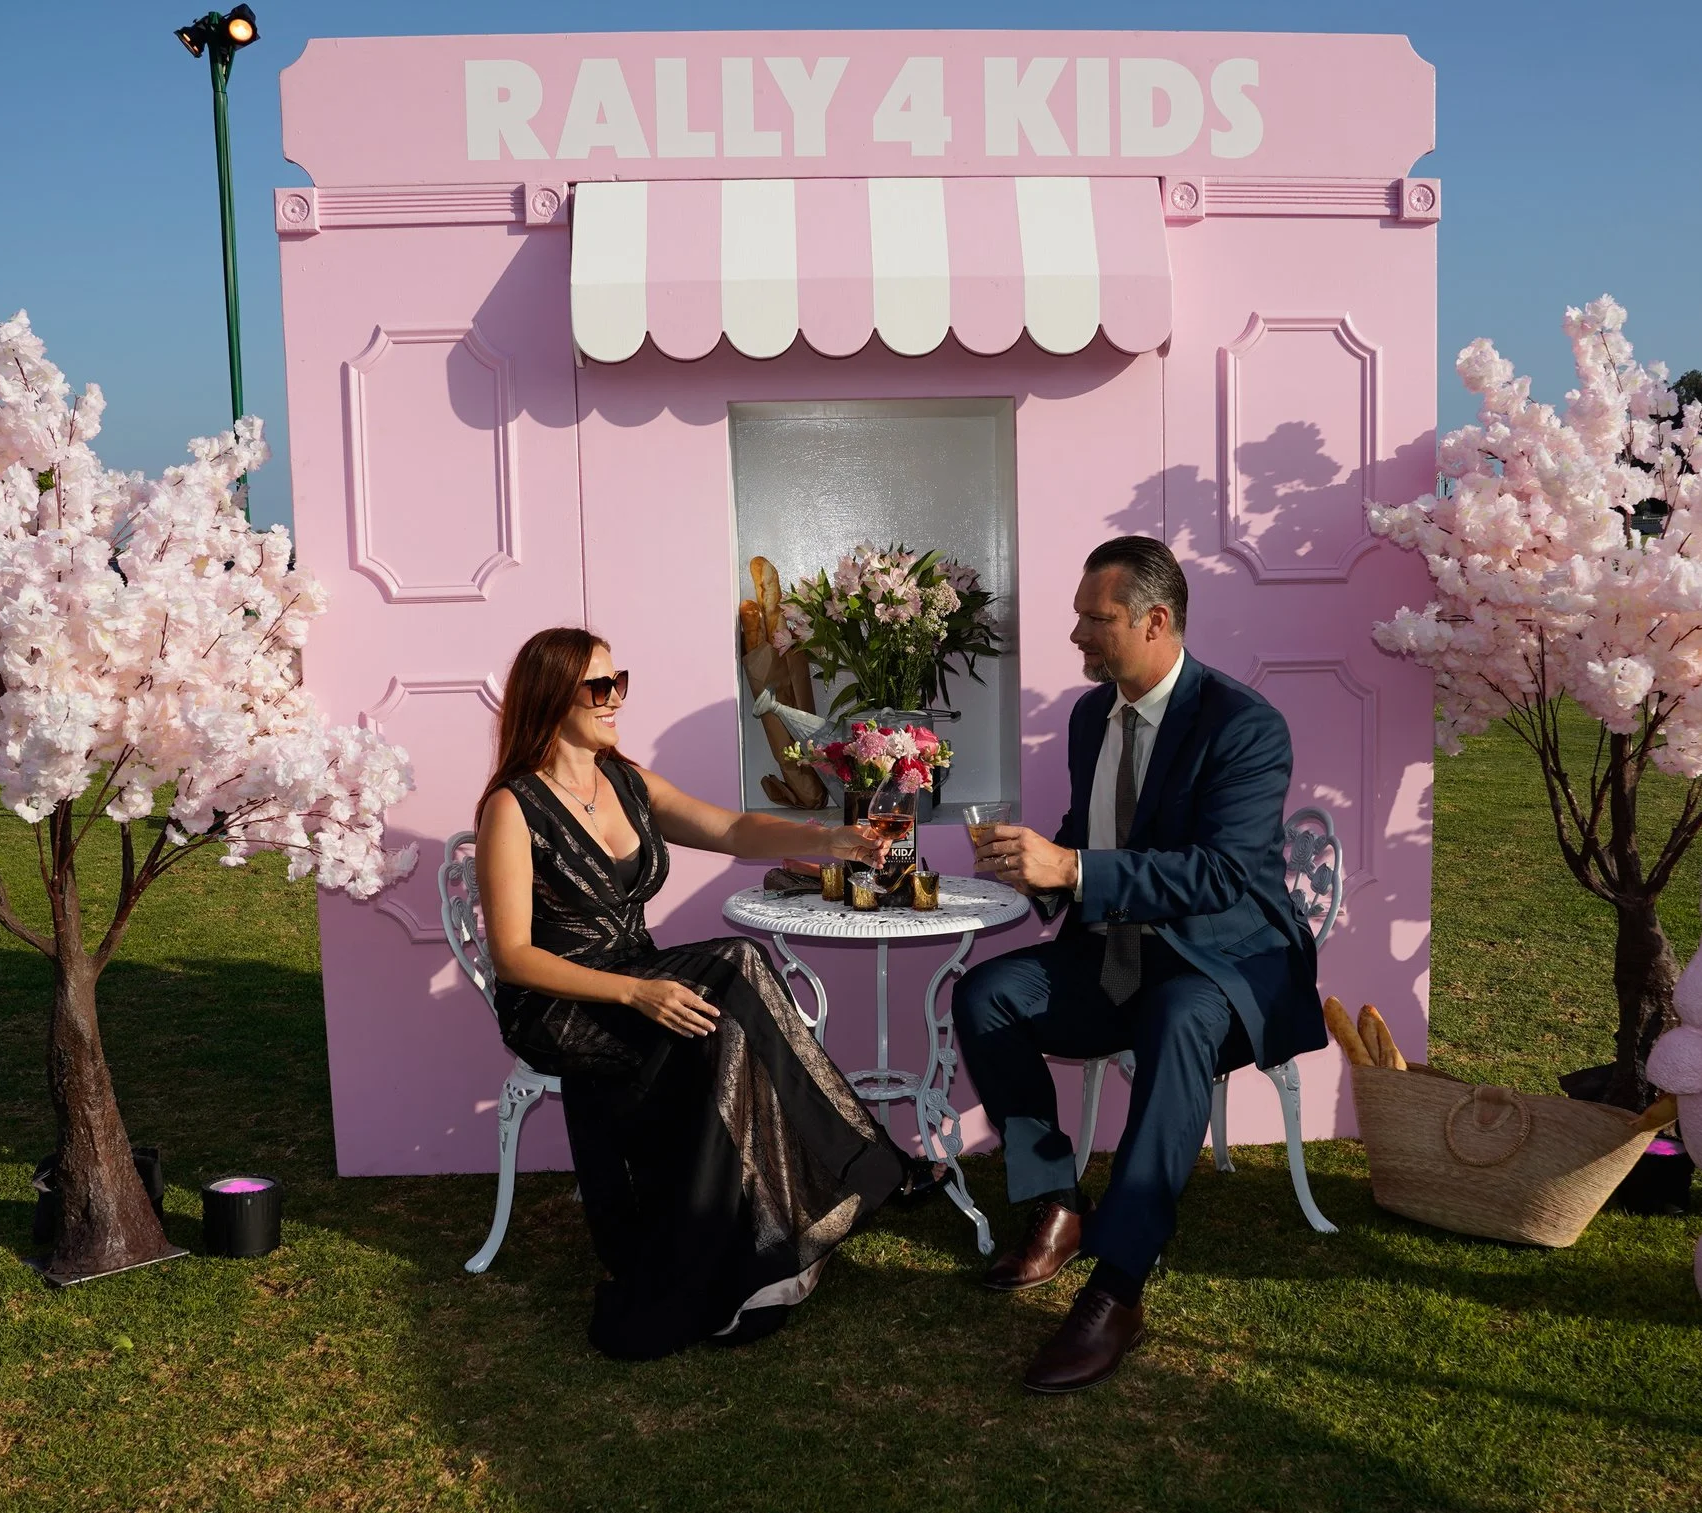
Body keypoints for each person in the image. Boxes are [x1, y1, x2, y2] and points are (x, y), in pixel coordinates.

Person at [474, 626, 931, 1361]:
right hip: (564, 1000)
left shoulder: (625, 779)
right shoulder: (512, 807)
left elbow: (728, 828)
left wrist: (831, 841)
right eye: (600, 687)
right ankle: (868, 1162)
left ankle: (784, 1215)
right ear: (554, 697)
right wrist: (634, 995)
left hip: (636, 969)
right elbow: (515, 957)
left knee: (734, 982)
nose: (616, 697)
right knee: (735, 963)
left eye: (619, 680)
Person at [958, 537, 1328, 1393]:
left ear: (1155, 620)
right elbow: (1097, 828)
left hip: (1228, 963)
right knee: (989, 995)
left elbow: (1221, 874)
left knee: (1177, 1015)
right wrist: (1037, 866)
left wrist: (1076, 869)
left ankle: (1118, 1286)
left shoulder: (1243, 725)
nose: (1079, 636)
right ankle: (1055, 1205)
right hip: (1114, 958)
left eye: (1097, 619)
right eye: (1082, 617)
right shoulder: (1093, 718)